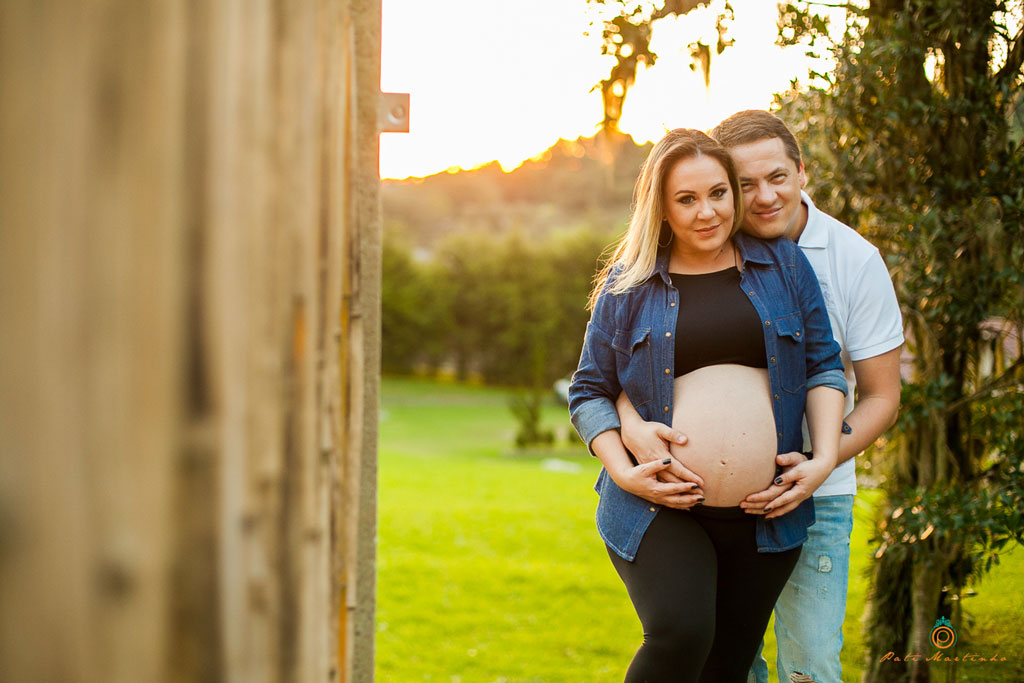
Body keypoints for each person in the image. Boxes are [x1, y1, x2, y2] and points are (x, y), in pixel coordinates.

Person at [615, 111, 904, 683]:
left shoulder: (847, 260)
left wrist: (820, 462)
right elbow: (614, 376)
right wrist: (629, 427)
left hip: (814, 496)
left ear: (802, 171)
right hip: (703, 508)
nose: (763, 196)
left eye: (776, 177)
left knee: (811, 663)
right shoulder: (703, 255)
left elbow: (875, 394)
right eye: (743, 186)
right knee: (723, 660)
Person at [567, 128, 848, 683]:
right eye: (687, 199)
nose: (707, 212)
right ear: (663, 208)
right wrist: (626, 474)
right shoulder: (630, 283)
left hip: (765, 516)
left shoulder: (785, 267)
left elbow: (824, 365)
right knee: (681, 632)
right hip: (659, 506)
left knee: (728, 664)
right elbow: (589, 390)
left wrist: (822, 460)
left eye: (718, 193)